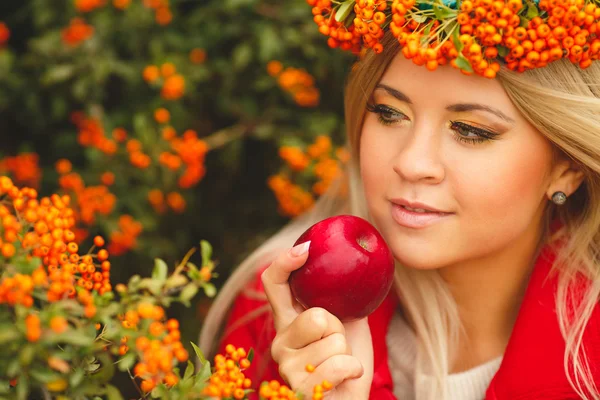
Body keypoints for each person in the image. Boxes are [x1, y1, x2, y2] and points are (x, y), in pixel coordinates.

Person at [198, 5, 600, 399]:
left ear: (565, 168)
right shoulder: (278, 317)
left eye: (470, 130)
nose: (411, 162)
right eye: (389, 113)